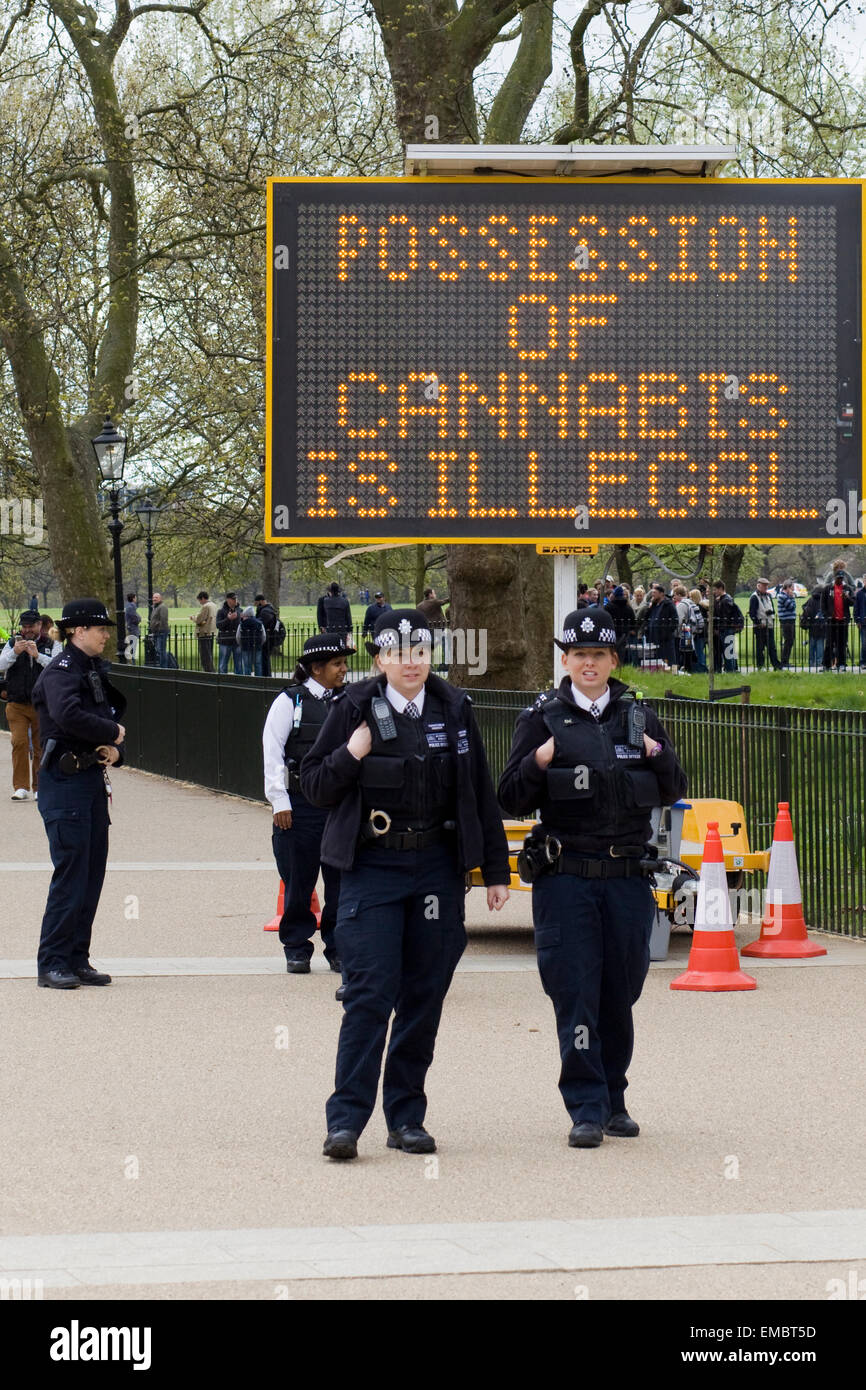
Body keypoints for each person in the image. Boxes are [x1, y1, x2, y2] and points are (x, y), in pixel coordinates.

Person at [300, 608, 510, 1162]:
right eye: (397, 653)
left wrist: (494, 871)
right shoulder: (352, 707)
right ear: (379, 659)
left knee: (424, 996)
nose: (410, 662)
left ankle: (407, 1118)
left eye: (419, 651)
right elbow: (316, 785)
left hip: (436, 869)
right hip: (372, 869)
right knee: (369, 995)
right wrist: (352, 753)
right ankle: (345, 1122)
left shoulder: (453, 709)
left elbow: (479, 791)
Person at [498, 607, 687, 1148]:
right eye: (579, 654)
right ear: (566, 660)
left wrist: (655, 752)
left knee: (621, 990)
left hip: (626, 877)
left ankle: (614, 1096)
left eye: (598, 655)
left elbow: (674, 787)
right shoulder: (542, 717)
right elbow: (509, 796)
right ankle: (586, 1105)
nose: (588, 663)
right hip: (568, 878)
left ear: (613, 660)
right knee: (575, 990)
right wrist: (538, 761)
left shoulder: (638, 716)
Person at [31, 598, 126, 989]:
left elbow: (105, 718)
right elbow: (67, 715)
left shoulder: (90, 670)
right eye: (100, 629)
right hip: (65, 782)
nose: (105, 635)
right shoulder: (61, 671)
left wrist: (115, 749)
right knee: (71, 873)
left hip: (88, 779)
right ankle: (52, 961)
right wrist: (111, 733)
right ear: (78, 630)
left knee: (90, 874)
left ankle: (76, 957)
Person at [263, 635, 354, 990]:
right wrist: (279, 800)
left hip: (339, 804)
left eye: (344, 663)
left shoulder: (348, 702)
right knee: (299, 879)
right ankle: (296, 946)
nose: (344, 670)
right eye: (337, 664)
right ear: (317, 668)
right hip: (299, 803)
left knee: (341, 881)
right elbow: (272, 750)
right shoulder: (291, 701)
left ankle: (338, 946)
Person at [0, 609, 55, 800]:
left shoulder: (51, 644)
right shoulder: (12, 643)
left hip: (42, 703)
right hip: (16, 702)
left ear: (39, 625)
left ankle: (39, 787)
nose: (27, 630)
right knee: (19, 742)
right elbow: (1, 665)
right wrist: (15, 652)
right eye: (24, 627)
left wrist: (38, 655)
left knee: (40, 746)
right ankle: (21, 786)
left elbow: (58, 667)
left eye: (31, 626)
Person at [822, 571, 853, 670]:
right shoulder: (828, 588)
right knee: (829, 643)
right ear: (834, 578)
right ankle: (826, 665)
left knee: (842, 643)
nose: (840, 580)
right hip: (832, 620)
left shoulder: (847, 588)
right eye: (838, 578)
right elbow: (823, 604)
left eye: (841, 578)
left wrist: (847, 598)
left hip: (843, 620)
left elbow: (853, 602)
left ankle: (841, 664)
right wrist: (826, 616)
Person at [748, 578, 781, 670]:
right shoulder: (754, 597)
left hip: (769, 625)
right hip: (760, 627)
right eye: (764, 586)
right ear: (758, 586)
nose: (766, 588)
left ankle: (776, 665)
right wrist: (758, 623)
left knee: (772, 647)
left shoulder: (768, 596)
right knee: (760, 648)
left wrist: (771, 613)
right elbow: (752, 613)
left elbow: (772, 609)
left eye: (767, 586)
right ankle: (760, 665)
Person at [644, 582, 678, 669]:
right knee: (657, 657)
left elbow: (675, 619)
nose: (652, 595)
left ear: (661, 594)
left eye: (654, 593)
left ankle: (672, 671)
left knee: (669, 657)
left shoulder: (668, 604)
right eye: (652, 593)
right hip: (653, 635)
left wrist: (667, 632)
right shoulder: (654, 604)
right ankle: (657, 671)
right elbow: (647, 618)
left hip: (665, 637)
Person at [712, 580, 739, 672]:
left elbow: (725, 617)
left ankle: (730, 671)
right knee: (729, 651)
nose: (714, 592)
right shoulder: (725, 599)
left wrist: (719, 628)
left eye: (715, 589)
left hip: (726, 629)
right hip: (726, 629)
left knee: (728, 652)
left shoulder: (725, 601)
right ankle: (731, 670)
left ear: (720, 589)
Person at [800, 586, 826, 668]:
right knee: (820, 645)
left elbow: (804, 607)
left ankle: (811, 663)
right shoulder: (823, 600)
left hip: (811, 625)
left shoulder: (810, 600)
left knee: (812, 645)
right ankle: (819, 662)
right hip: (821, 626)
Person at [191, 590, 217, 672]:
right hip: (211, 632)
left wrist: (193, 618)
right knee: (209, 653)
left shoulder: (206, 606)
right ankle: (210, 670)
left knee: (204, 655)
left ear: (202, 598)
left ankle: (208, 671)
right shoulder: (214, 605)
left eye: (199, 600)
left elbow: (200, 619)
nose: (200, 602)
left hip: (204, 632)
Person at [216, 592, 242, 674]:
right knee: (223, 664)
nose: (235, 600)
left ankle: (238, 680)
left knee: (239, 664)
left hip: (237, 641)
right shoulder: (221, 611)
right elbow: (218, 625)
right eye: (233, 599)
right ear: (228, 600)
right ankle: (223, 680)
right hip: (225, 641)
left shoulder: (240, 611)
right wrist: (228, 619)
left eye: (236, 599)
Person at [237, 604, 267, 676]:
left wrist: (241, 644)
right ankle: (258, 680)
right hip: (257, 646)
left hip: (245, 647)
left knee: (247, 665)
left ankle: (248, 680)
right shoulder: (259, 623)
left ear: (246, 615)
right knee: (258, 664)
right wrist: (260, 644)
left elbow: (238, 637)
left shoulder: (242, 624)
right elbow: (264, 636)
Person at [254, 594, 278, 677]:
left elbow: (261, 623)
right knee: (265, 658)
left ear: (260, 601)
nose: (255, 605)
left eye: (256, 603)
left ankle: (266, 676)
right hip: (268, 637)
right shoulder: (267, 609)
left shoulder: (265, 611)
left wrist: (252, 620)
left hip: (267, 638)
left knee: (264, 658)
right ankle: (266, 675)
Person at [777, 580, 797, 669]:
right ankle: (784, 661)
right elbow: (791, 607)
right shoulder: (783, 596)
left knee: (790, 640)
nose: (793, 589)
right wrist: (792, 597)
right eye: (792, 587)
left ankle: (785, 661)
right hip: (786, 621)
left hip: (790, 620)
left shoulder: (786, 596)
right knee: (788, 641)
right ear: (788, 587)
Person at [688, 588, 708, 673]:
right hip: (703, 632)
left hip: (699, 633)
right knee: (700, 650)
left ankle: (701, 667)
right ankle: (701, 666)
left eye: (690, 597)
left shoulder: (698, 607)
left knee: (699, 651)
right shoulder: (703, 606)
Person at [149, 592, 169, 668]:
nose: (154, 599)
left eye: (156, 597)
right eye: (153, 597)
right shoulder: (156, 607)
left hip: (161, 632)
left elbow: (163, 620)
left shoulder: (162, 607)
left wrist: (157, 627)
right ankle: (163, 666)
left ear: (160, 598)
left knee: (161, 650)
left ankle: (164, 668)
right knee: (159, 650)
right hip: (157, 632)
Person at [124, 592, 141, 662]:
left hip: (131, 628)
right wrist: (139, 618)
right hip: (132, 629)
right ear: (133, 598)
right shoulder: (131, 607)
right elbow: (135, 618)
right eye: (135, 597)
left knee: (132, 646)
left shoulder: (128, 606)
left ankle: (132, 661)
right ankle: (132, 662)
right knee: (133, 646)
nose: (136, 599)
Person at [854, 578, 866, 668]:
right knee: (864, 643)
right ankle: (863, 662)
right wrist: (857, 620)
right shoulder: (860, 594)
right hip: (863, 622)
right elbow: (856, 608)